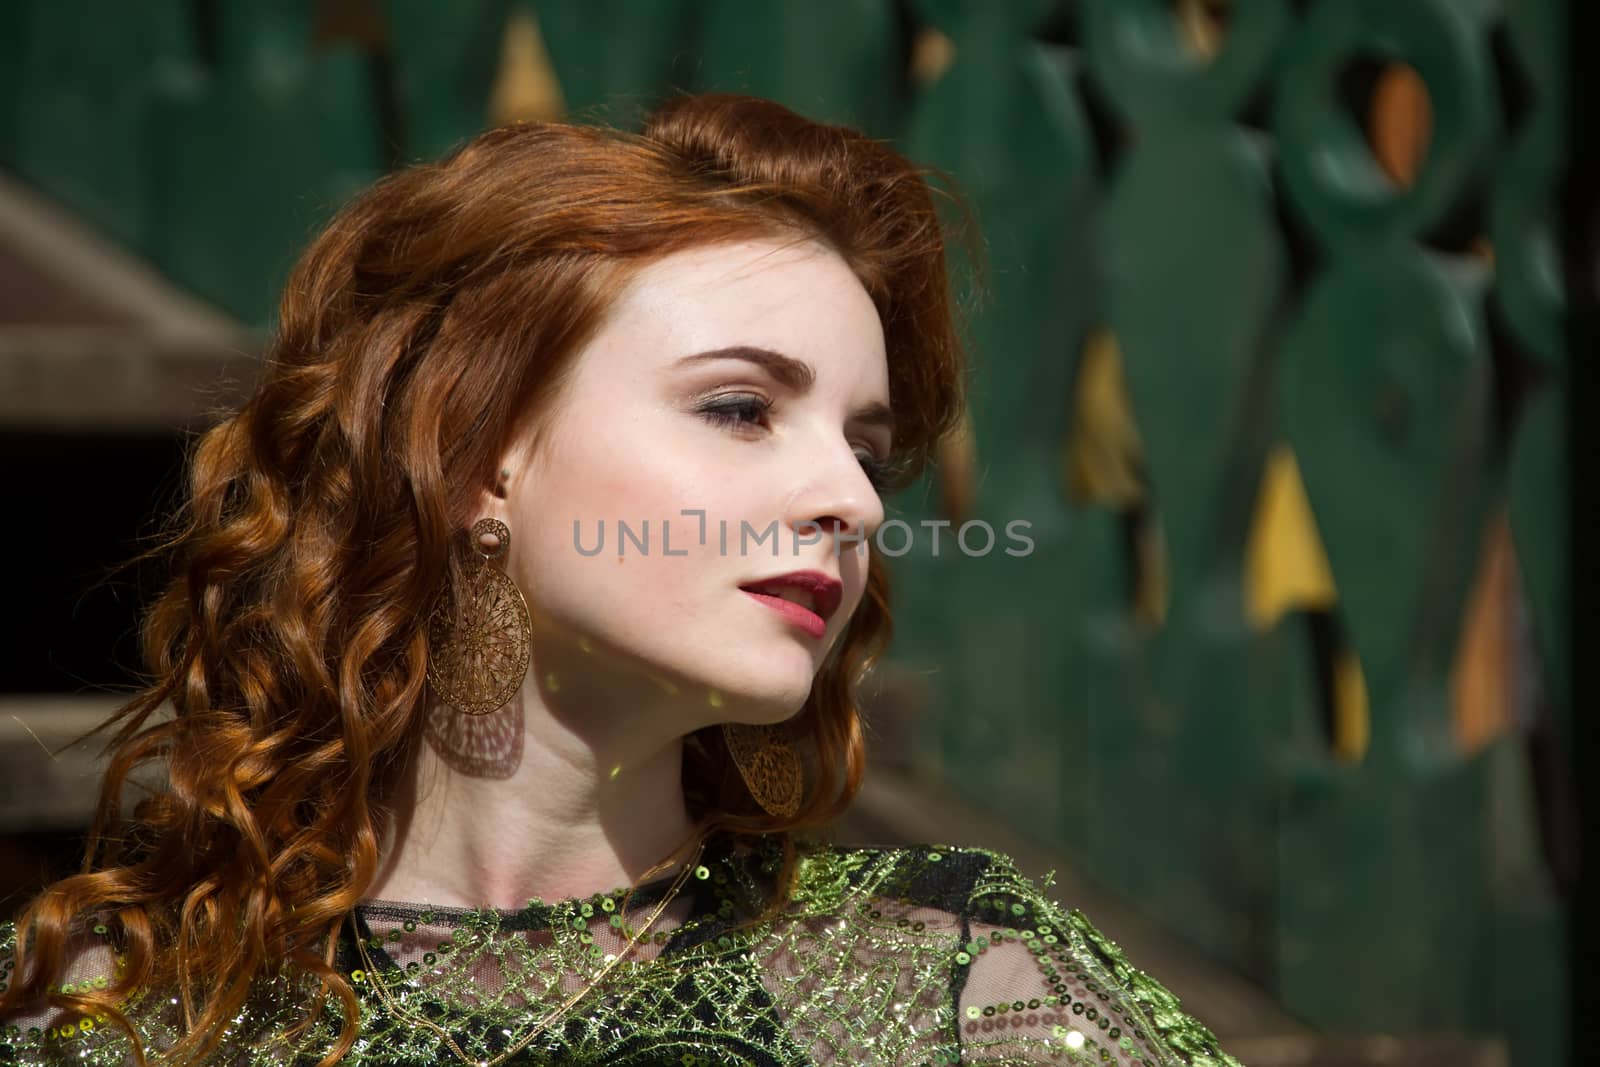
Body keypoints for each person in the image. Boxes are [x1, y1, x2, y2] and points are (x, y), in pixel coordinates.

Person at [0, 94, 1242, 1067]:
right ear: (478, 453)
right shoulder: (118, 1006)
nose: (855, 501)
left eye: (866, 450)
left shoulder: (956, 989)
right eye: (741, 406)